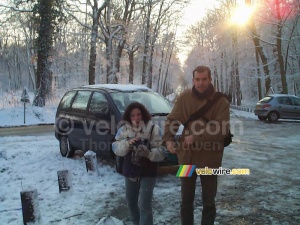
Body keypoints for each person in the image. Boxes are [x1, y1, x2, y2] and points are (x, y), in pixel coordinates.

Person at [163, 66, 230, 225]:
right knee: (186, 201)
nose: (200, 83)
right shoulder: (184, 97)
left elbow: (221, 129)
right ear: (193, 80)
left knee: (208, 202)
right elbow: (172, 120)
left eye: (204, 79)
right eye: (197, 79)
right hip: (187, 158)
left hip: (210, 159)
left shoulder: (221, 101)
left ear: (210, 79)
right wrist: (168, 139)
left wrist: (196, 137)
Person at [112, 102, 165, 225]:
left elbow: (162, 152)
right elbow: (116, 148)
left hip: (148, 172)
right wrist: (128, 143)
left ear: (143, 115)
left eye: (139, 115)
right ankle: (135, 222)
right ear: (128, 117)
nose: (136, 118)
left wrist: (148, 153)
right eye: (133, 115)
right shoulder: (123, 130)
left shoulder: (154, 129)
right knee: (131, 201)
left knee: (144, 205)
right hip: (130, 170)